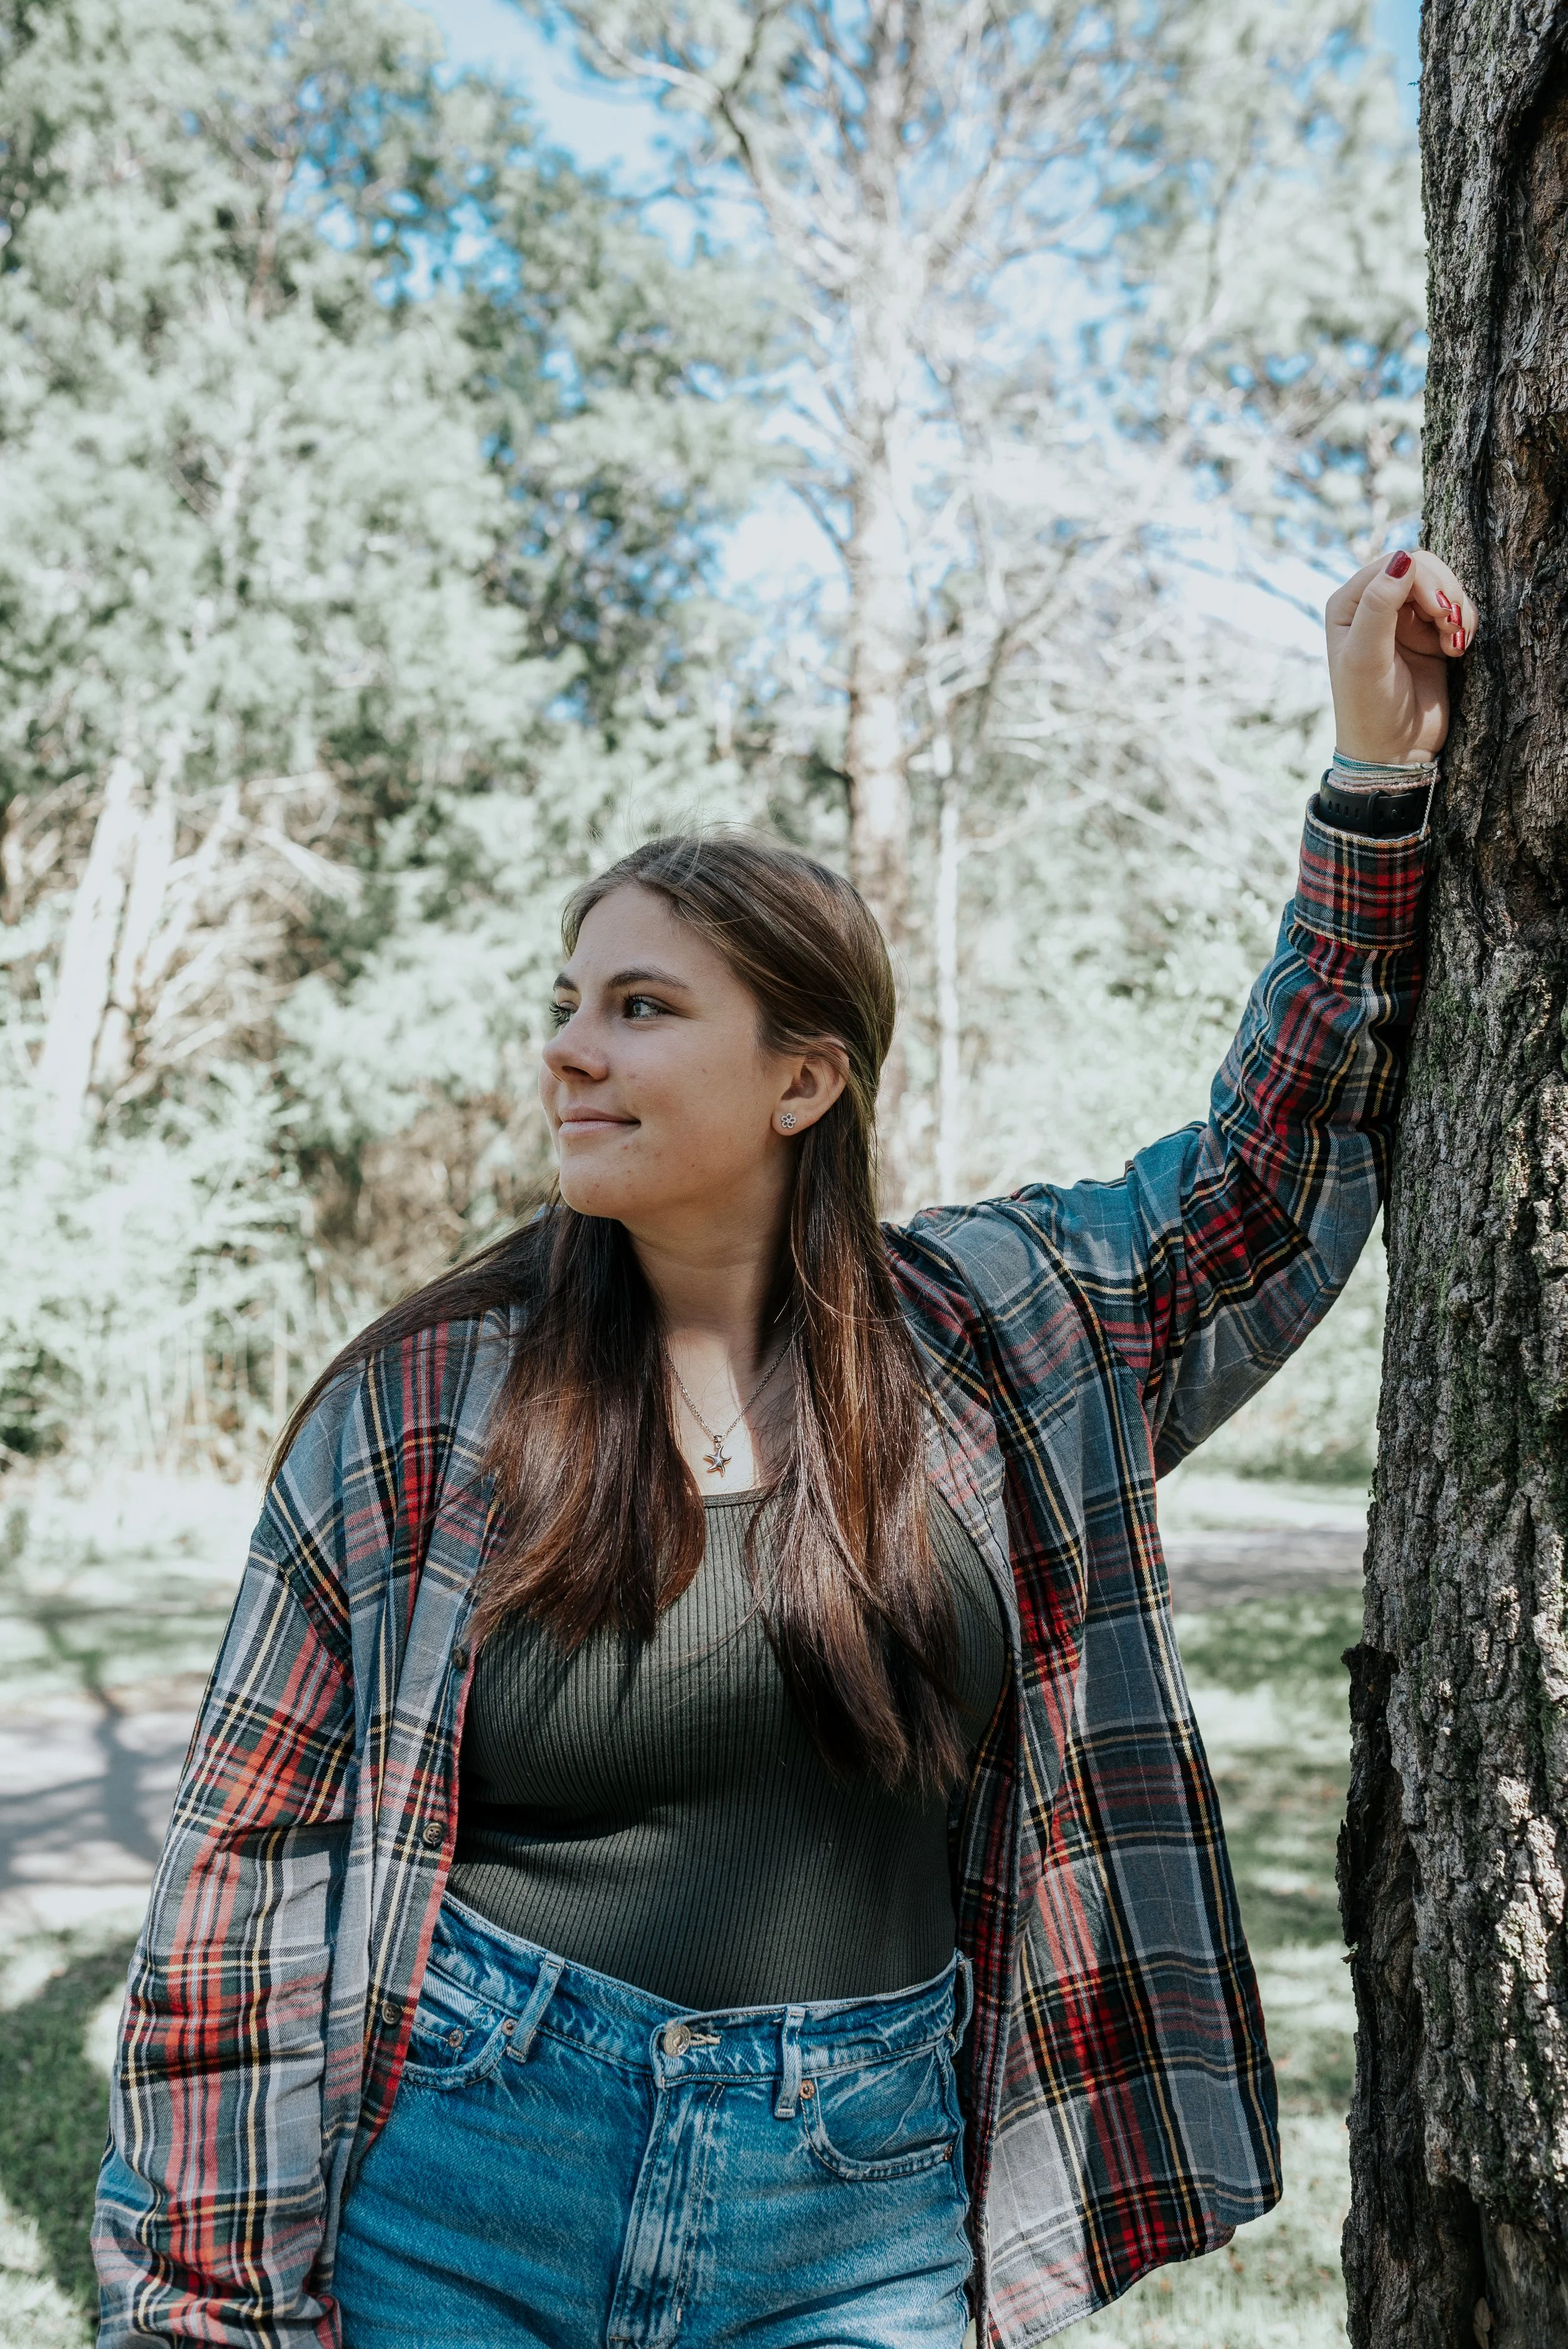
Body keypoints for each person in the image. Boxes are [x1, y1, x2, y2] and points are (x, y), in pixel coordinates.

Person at [93, 549, 1476, 2349]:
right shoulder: (425, 1402)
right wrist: (204, 2309)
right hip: (460, 2177)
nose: (568, 1054)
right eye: (568, 1002)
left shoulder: (995, 1334)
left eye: (641, 1008)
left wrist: (1373, 786)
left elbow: (1262, 1175)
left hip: (858, 2206)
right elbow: (248, 1872)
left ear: (804, 1080)